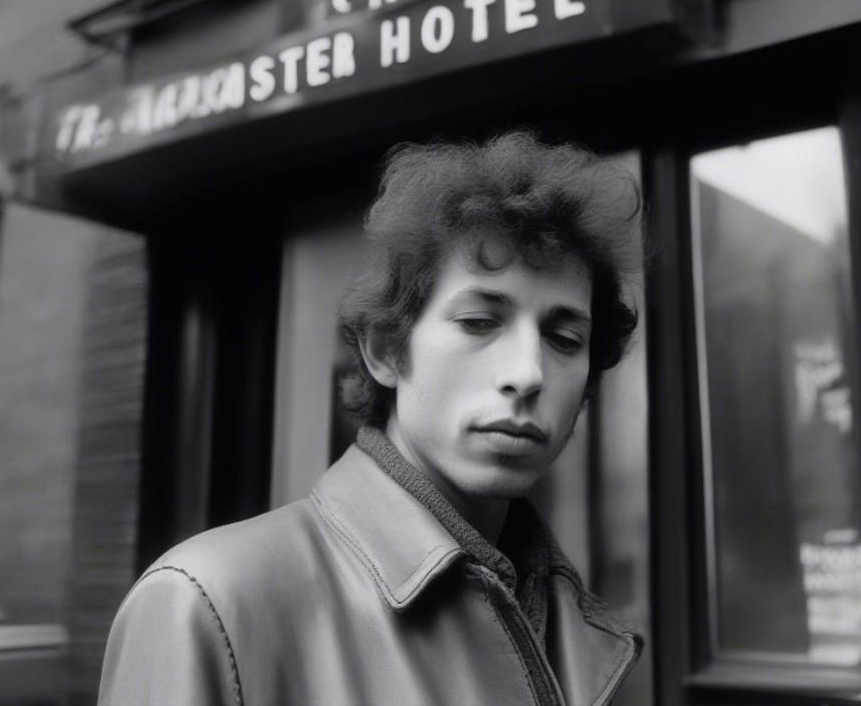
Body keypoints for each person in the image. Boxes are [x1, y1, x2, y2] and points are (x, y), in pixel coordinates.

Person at [98, 129, 644, 705]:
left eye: (563, 337)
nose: (529, 372)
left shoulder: (586, 631)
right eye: (480, 322)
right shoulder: (208, 600)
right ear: (386, 350)